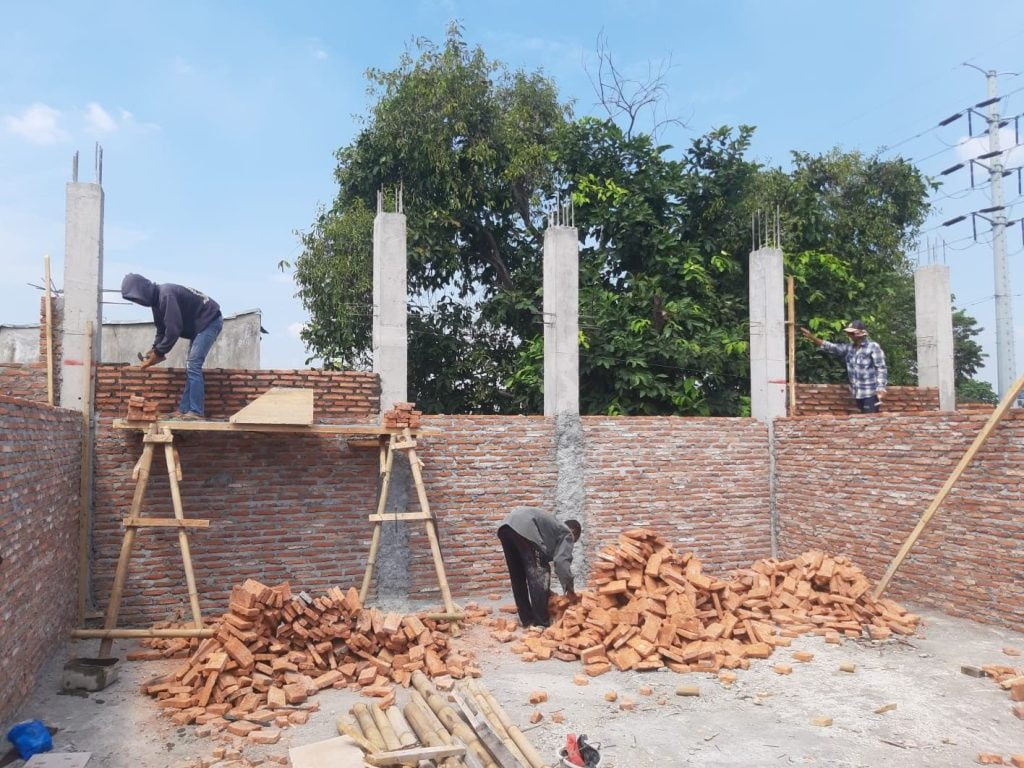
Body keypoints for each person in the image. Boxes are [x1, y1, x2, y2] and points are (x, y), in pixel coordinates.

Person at [121, 273, 224, 420]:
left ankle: (196, 411)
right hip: (199, 324)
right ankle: (184, 410)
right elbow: (161, 330)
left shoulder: (166, 295)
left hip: (210, 321)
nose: (138, 302)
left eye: (136, 298)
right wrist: (155, 348)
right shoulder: (157, 302)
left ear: (142, 289)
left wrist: (159, 352)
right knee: (191, 366)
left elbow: (173, 330)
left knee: (193, 365)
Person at [497, 507, 581, 628]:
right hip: (524, 526)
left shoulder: (552, 528)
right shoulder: (567, 533)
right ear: (574, 532)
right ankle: (542, 622)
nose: (570, 544)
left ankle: (527, 620)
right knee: (540, 572)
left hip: (505, 527)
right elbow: (562, 562)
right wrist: (569, 588)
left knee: (518, 576)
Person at [800, 319, 888, 413]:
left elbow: (881, 368)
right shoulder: (849, 348)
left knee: (869, 419)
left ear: (860, 334)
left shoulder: (873, 347)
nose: (850, 335)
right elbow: (831, 347)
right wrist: (812, 337)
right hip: (857, 393)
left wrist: (881, 388)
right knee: (863, 418)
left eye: (852, 333)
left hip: (870, 393)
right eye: (849, 333)